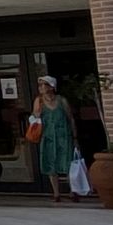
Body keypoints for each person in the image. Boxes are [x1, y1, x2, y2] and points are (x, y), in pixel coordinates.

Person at [30, 74, 78, 203]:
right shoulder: (39, 101)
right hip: (48, 136)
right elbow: (35, 117)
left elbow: (70, 118)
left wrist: (75, 136)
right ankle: (56, 193)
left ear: (52, 87)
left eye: (44, 84)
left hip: (64, 136)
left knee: (67, 162)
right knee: (51, 164)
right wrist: (37, 114)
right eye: (40, 85)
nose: (42, 87)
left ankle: (72, 191)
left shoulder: (62, 100)